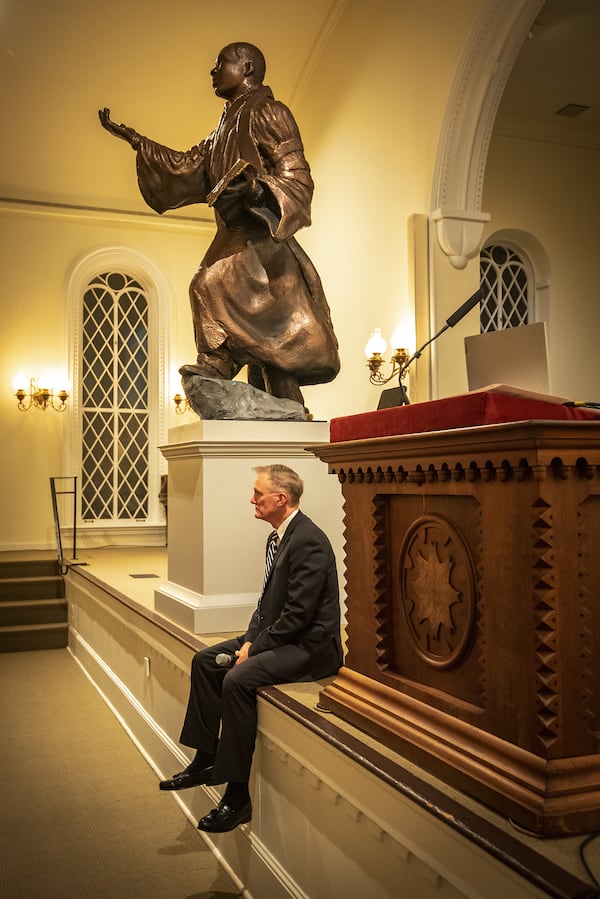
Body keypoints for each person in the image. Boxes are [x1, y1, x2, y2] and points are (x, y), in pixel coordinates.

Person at [99, 42, 340, 408]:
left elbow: (298, 177)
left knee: (207, 282)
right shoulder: (225, 125)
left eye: (220, 63)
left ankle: (218, 365)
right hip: (235, 236)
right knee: (269, 355)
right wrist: (136, 141)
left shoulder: (270, 113)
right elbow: (187, 166)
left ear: (246, 67)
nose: (213, 70)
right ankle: (266, 396)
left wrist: (258, 188)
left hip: (262, 239)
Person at [158, 464, 342, 833]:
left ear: (281, 498)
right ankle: (206, 758)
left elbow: (299, 615)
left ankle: (237, 796)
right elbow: (265, 604)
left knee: (238, 680)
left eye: (258, 494)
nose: (252, 500)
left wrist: (254, 650)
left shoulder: (308, 540)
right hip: (282, 635)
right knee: (205, 661)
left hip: (311, 646)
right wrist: (248, 639)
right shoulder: (278, 537)